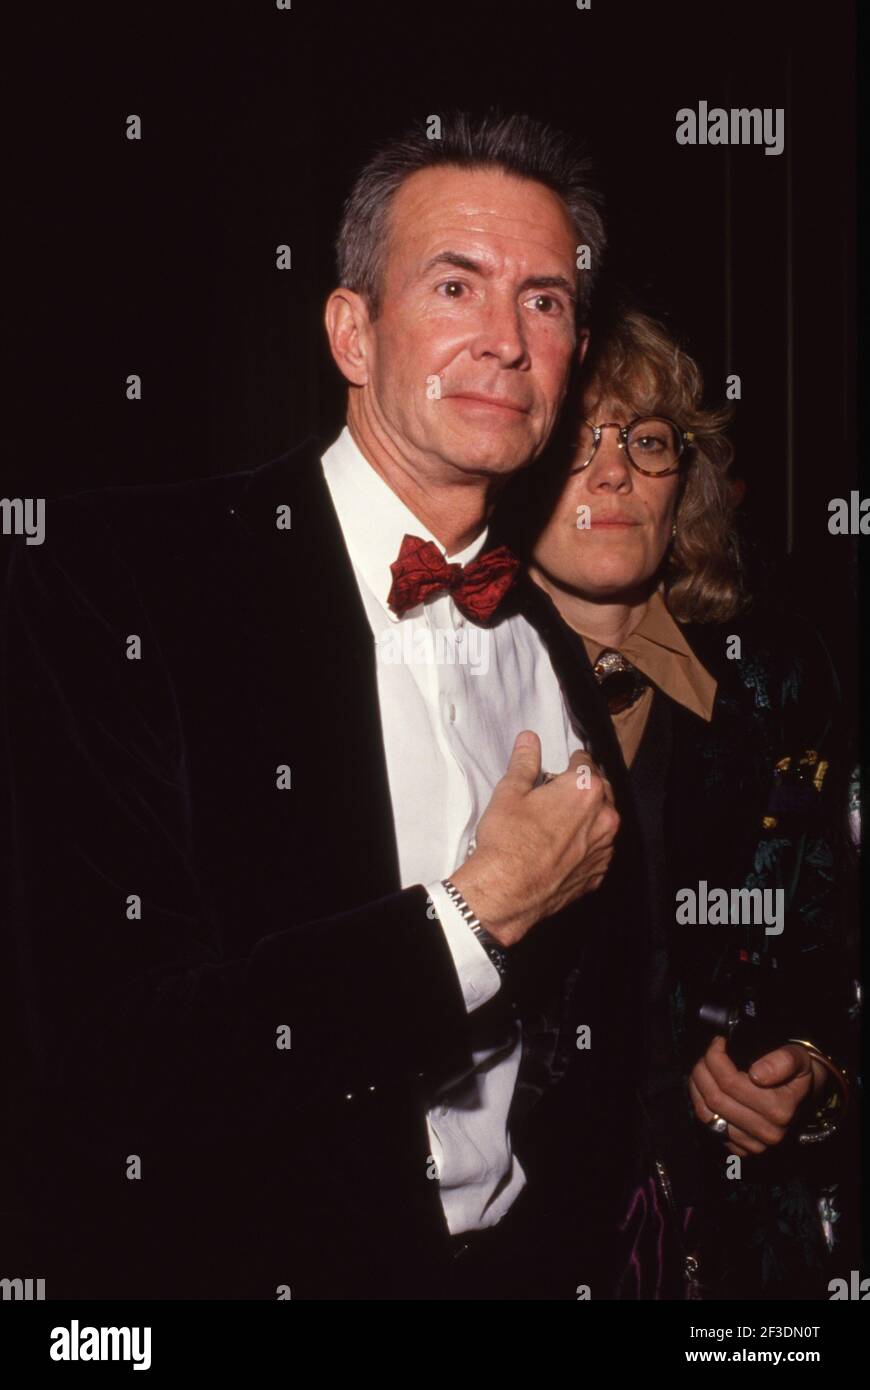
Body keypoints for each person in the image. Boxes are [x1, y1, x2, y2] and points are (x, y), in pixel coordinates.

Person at [0, 113, 654, 1301]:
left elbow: (599, 1021)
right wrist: (475, 915)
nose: (506, 339)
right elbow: (103, 1061)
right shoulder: (124, 580)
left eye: (546, 301)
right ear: (352, 331)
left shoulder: (546, 638)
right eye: (456, 284)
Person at [495, 301, 857, 1298]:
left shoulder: (778, 684)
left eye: (647, 441)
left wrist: (809, 1062)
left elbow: (831, 951)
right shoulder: (434, 681)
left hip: (733, 1254)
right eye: (579, 438)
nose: (615, 472)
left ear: (681, 482)